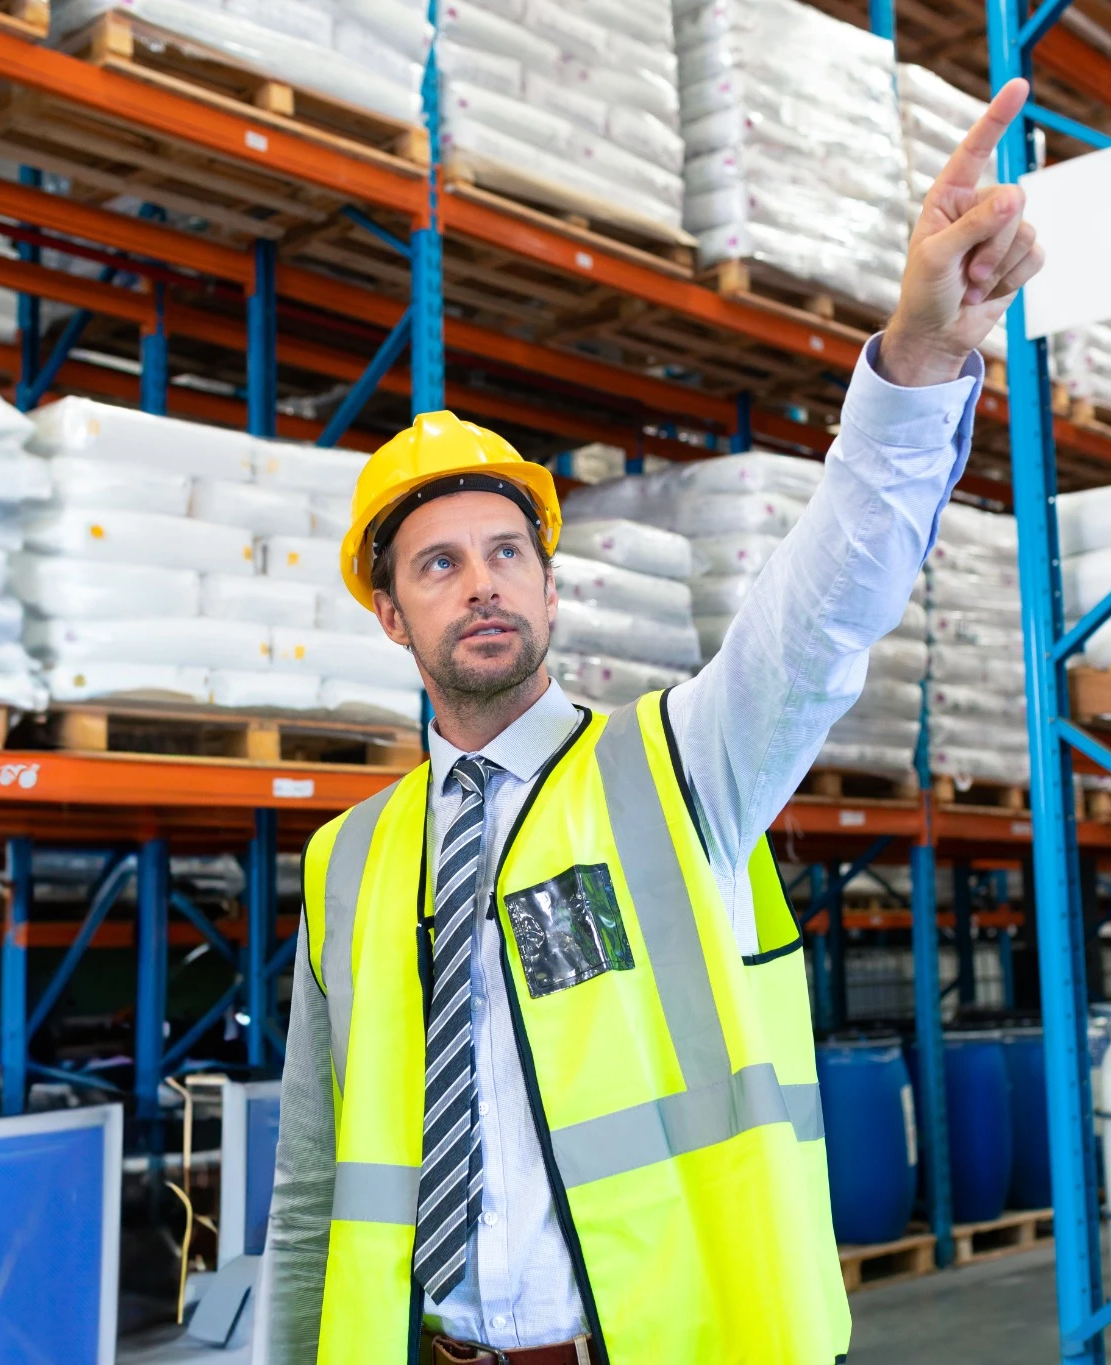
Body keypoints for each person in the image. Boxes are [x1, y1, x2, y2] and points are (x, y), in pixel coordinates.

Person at [255, 78, 1045, 1365]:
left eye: (507, 552)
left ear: (549, 588)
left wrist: (916, 358)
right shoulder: (348, 860)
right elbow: (311, 1182)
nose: (482, 583)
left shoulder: (680, 766)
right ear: (392, 617)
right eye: (439, 565)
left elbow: (821, 608)